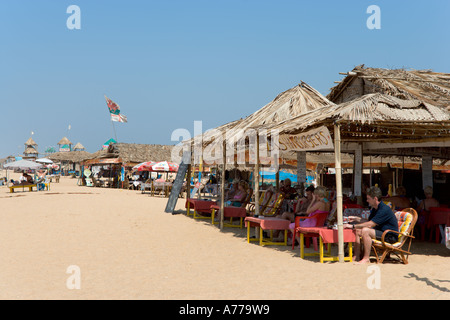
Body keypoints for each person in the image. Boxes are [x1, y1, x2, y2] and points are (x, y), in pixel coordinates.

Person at [345, 186, 399, 264]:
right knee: (358, 230)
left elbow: (370, 224)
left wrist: (352, 226)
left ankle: (366, 258)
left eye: (368, 198)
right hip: (381, 232)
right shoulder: (375, 208)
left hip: (389, 236)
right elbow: (369, 221)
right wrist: (355, 218)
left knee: (365, 231)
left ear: (375, 199)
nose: (367, 201)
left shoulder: (384, 209)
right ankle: (356, 256)